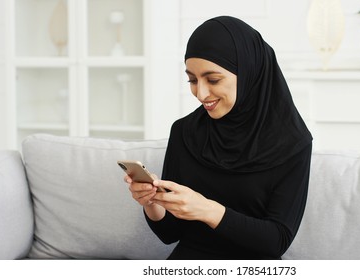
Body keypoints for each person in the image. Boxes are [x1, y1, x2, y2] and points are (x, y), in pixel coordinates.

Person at [126, 16, 312, 259]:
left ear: (248, 73)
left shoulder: (293, 143)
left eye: (213, 79)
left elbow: (277, 241)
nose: (200, 93)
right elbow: (169, 233)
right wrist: (152, 202)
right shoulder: (184, 132)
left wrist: (205, 209)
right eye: (192, 80)